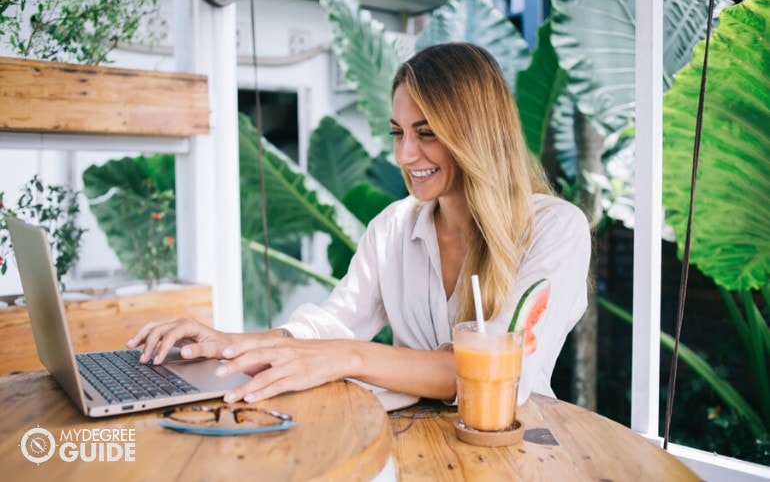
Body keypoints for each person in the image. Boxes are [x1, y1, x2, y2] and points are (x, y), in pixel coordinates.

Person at [127, 42, 591, 406]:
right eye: (398, 132)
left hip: (516, 450)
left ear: (477, 134)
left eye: (426, 133)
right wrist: (228, 343)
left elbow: (501, 371)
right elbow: (335, 322)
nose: (406, 155)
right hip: (412, 446)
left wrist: (348, 357)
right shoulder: (393, 227)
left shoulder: (555, 229)